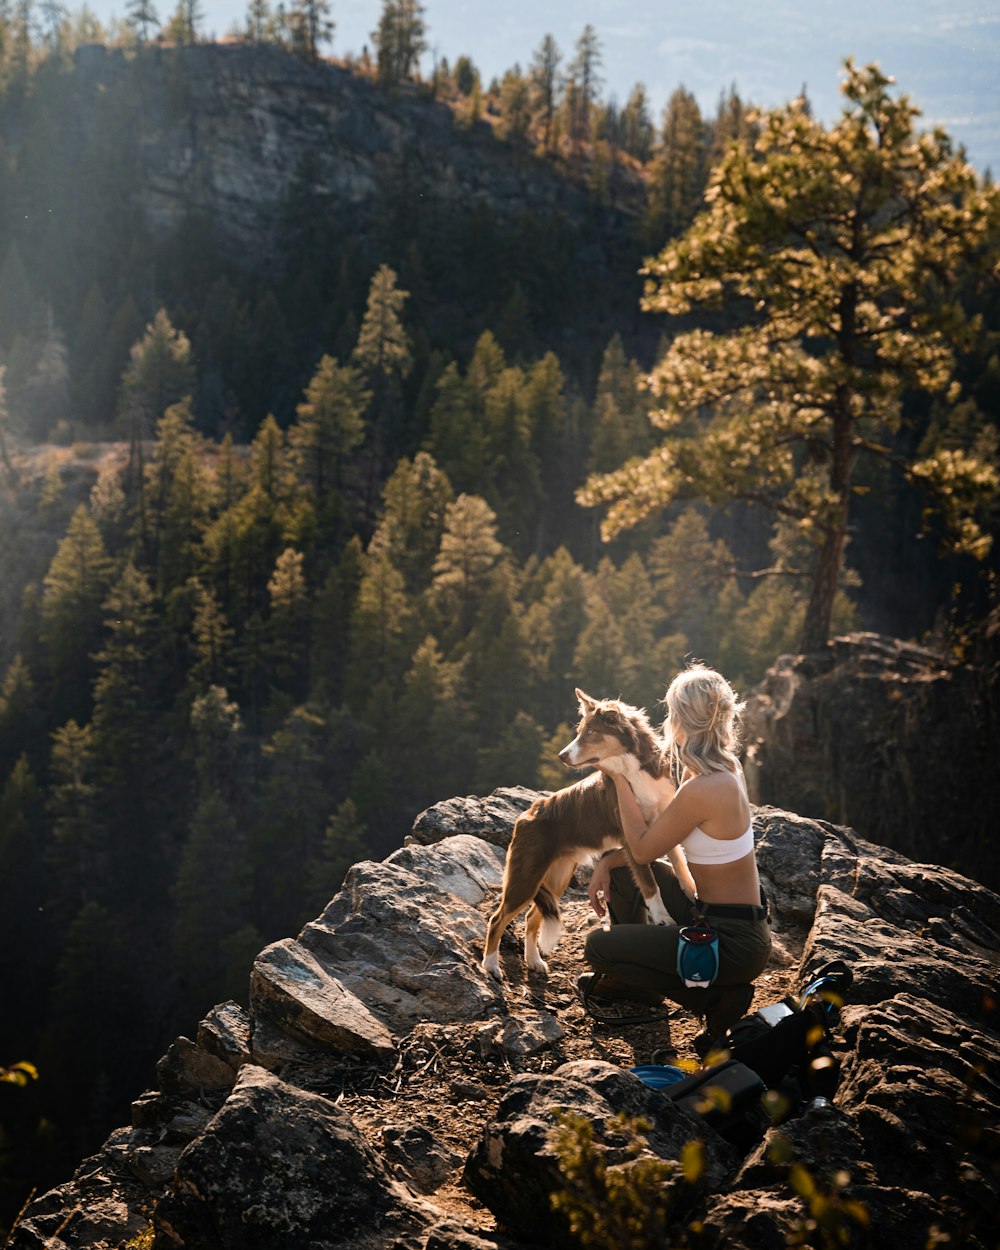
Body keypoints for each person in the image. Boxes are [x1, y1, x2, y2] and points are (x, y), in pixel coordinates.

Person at [579, 663, 771, 1057]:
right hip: (726, 918)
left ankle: (713, 999)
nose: (667, 721)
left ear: (681, 720)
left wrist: (618, 779)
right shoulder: (723, 768)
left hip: (731, 943)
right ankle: (635, 981)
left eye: (670, 713)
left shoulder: (704, 787)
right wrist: (606, 863)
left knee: (598, 946)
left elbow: (645, 847)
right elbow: (656, 848)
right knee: (623, 876)